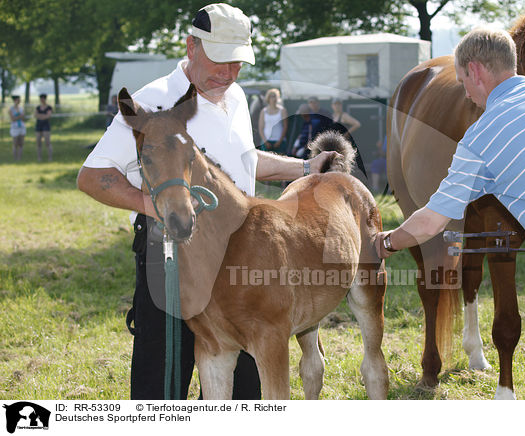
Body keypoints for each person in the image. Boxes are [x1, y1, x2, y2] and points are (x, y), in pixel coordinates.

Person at [77, 3, 337, 400]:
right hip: (171, 255)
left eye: (237, 63)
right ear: (191, 47)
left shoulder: (234, 96)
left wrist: (304, 168)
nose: (229, 73)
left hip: (243, 254)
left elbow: (248, 160)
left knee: (242, 387)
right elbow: (93, 176)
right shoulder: (154, 102)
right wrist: (153, 207)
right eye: (220, 60)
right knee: (163, 384)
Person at [375, 28, 525, 400]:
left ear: (476, 71)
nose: (464, 91)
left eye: (463, 80)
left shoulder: (481, 138)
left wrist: (385, 242)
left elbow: (431, 220)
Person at [258, 88, 288, 154]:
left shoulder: (282, 110)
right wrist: (265, 141)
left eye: (275, 96)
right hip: (266, 142)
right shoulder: (263, 111)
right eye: (272, 96)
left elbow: (285, 127)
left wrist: (279, 141)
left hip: (280, 141)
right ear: (268, 98)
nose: (274, 98)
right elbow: (261, 128)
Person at [34, 93, 53, 162]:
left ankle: (50, 157)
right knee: (38, 142)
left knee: (47, 142)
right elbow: (35, 115)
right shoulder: (38, 107)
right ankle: (39, 158)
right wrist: (43, 116)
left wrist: (40, 116)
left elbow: (48, 116)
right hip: (38, 126)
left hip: (46, 126)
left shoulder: (49, 107)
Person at [8, 95, 26, 161]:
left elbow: (23, 118)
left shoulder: (21, 108)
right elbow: (12, 119)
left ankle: (19, 158)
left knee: (21, 143)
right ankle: (15, 158)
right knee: (15, 143)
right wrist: (19, 116)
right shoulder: (11, 109)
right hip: (15, 128)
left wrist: (19, 116)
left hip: (21, 127)